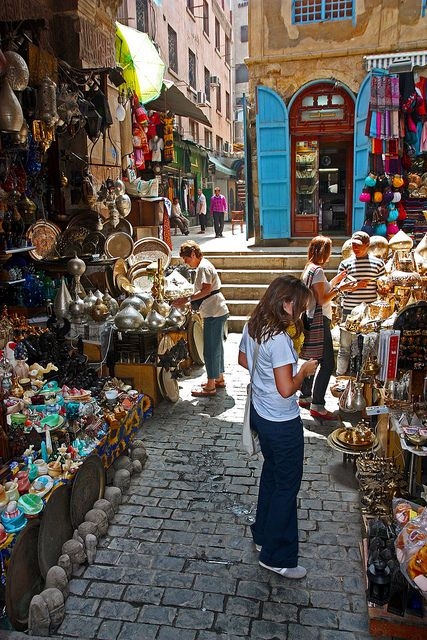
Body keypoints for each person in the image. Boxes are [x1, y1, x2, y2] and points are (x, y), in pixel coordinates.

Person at [238, 275, 319, 579]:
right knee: (286, 485)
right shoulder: (280, 339)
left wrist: (269, 371)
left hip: (261, 413)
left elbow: (244, 359)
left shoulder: (253, 325)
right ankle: (277, 556)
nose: (299, 313)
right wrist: (304, 371)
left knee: (272, 476)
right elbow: (287, 389)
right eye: (298, 307)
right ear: (286, 303)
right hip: (281, 422)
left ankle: (262, 535)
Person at [299, 236, 354, 421]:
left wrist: (338, 279)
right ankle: (318, 405)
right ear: (324, 252)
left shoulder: (310, 268)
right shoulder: (318, 271)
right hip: (319, 319)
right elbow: (322, 299)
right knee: (327, 363)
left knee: (314, 359)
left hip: (310, 316)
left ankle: (306, 396)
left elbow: (321, 290)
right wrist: (342, 288)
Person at [173, 240, 229, 396]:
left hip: (214, 311)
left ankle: (211, 384)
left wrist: (187, 299)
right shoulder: (204, 265)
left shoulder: (203, 267)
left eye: (186, 258)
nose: (185, 262)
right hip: (217, 310)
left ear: (193, 254)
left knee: (210, 348)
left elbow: (206, 290)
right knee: (217, 346)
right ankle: (218, 378)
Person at [335, 230, 386, 376]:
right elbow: (339, 290)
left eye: (358, 246)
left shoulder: (378, 264)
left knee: (368, 348)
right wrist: (357, 286)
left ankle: (363, 377)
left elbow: (382, 287)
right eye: (353, 245)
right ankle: (340, 376)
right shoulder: (345, 264)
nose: (355, 248)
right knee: (345, 348)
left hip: (369, 315)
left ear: (367, 245)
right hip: (349, 311)